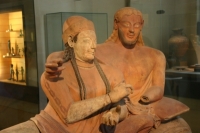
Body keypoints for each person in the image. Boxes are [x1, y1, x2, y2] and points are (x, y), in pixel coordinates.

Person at [44, 7, 191, 133]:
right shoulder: (98, 50)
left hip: (143, 107)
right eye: (126, 24)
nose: (132, 30)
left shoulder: (156, 55)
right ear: (116, 24)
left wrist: (145, 98)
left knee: (180, 127)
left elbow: (158, 86)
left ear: (142, 25)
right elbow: (70, 53)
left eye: (136, 25)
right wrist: (53, 57)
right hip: (111, 108)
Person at [1, 16, 136, 133]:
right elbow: (69, 114)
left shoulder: (111, 72)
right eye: (86, 41)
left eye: (94, 40)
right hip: (52, 127)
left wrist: (115, 114)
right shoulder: (56, 74)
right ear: (71, 42)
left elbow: (122, 105)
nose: (93, 46)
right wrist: (109, 98)